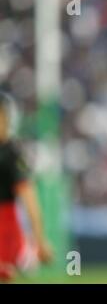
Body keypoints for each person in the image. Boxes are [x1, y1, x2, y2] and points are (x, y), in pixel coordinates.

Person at [0, 92, 53, 283]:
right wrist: (40, 241)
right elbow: (29, 197)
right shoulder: (11, 152)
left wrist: (39, 239)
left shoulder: (11, 153)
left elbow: (28, 196)